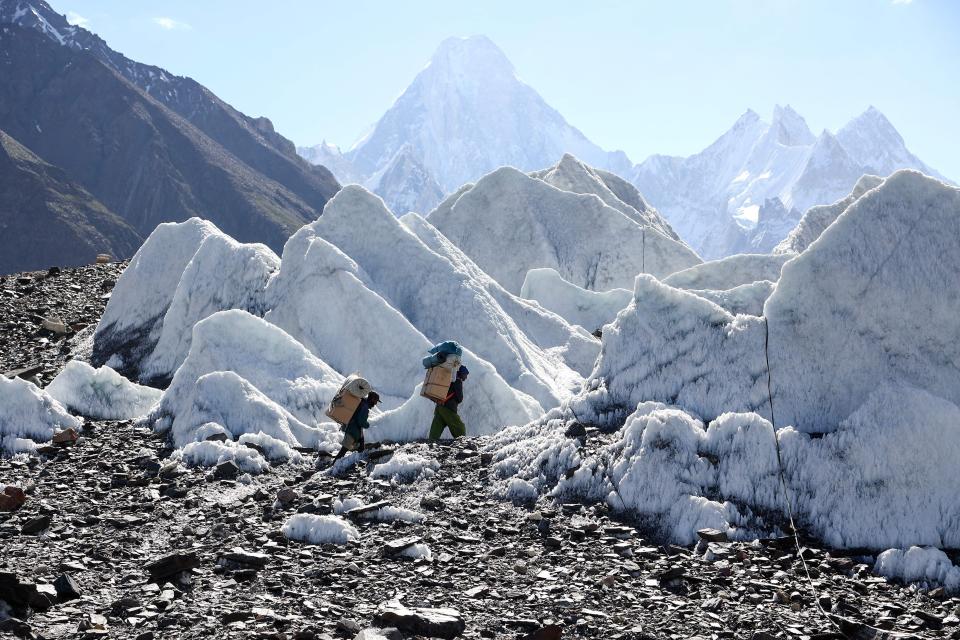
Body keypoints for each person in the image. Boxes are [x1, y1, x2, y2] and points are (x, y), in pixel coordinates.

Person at [333, 391, 380, 460]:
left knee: (360, 448)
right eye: (376, 401)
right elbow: (361, 421)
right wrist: (367, 425)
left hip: (355, 431)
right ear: (372, 399)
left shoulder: (361, 403)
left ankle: (357, 464)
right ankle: (333, 467)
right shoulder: (365, 407)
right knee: (343, 450)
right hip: (352, 431)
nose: (375, 404)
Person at [429, 365, 468, 440]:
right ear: (461, 373)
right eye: (465, 375)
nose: (466, 377)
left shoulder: (448, 381)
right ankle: (463, 442)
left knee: (436, 427)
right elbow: (460, 398)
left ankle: (431, 442)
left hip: (439, 407)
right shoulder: (457, 382)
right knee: (460, 427)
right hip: (448, 408)